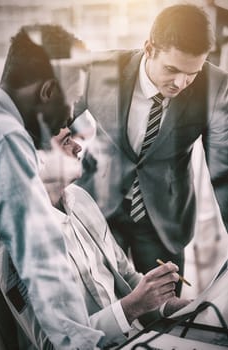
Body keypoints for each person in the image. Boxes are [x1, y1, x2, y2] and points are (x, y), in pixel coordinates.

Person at [73, 3, 228, 295]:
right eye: (172, 69)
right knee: (102, 303)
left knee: (162, 314)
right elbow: (50, 127)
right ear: (149, 48)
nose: (181, 83)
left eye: (192, 73)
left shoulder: (216, 86)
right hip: (98, 208)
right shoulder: (97, 70)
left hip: (163, 219)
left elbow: (225, 170)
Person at [0, 29, 104, 349]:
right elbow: (41, 258)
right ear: (48, 91)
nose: (69, 117)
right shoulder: (7, 139)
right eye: (71, 101)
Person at [38, 126, 190, 348]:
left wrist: (166, 305)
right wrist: (131, 307)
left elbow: (125, 274)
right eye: (66, 142)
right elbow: (53, 343)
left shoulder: (80, 198)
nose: (78, 147)